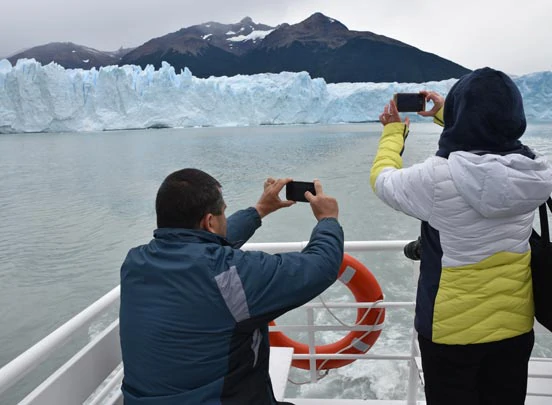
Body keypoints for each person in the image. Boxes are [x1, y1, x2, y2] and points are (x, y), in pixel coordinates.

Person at [369, 67, 552, 405]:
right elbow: (496, 146)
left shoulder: (437, 178)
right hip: (513, 329)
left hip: (450, 334)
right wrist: (446, 115)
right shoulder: (534, 172)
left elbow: (383, 180)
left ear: (460, 113)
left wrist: (393, 132)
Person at [119, 168, 344, 405]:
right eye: (223, 212)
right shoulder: (231, 276)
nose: (225, 218)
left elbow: (198, 244)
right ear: (210, 221)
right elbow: (320, 266)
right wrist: (327, 219)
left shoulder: (134, 264)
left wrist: (258, 211)